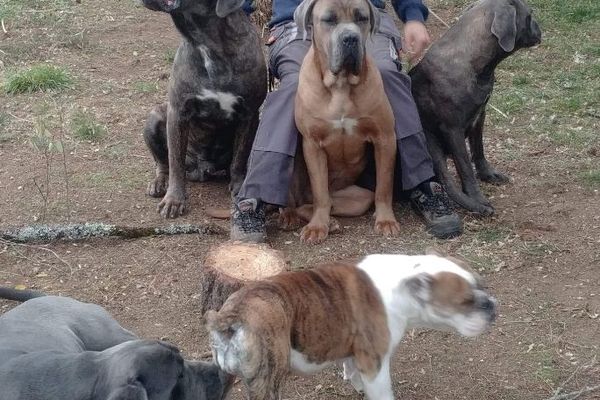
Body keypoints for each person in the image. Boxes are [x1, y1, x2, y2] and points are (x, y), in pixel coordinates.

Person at [232, 0, 463, 242]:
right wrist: (234, 12)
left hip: (367, 18)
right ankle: (255, 196)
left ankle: (423, 182)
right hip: (296, 21)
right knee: (292, 87)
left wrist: (413, 14)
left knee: (386, 74)